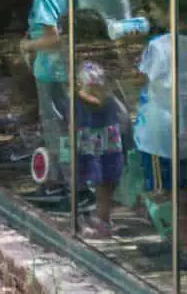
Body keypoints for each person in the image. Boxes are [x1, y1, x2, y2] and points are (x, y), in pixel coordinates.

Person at [133, 0, 187, 266]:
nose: (151, 15)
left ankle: (177, 245)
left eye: (154, 9)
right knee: (183, 188)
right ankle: (183, 243)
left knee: (161, 190)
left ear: (168, 12)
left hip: (158, 132)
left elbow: (141, 79)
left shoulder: (157, 46)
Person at [20, 0, 70, 199]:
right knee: (63, 126)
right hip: (61, 70)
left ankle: (59, 184)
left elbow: (55, 39)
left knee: (56, 128)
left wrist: (28, 44)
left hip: (50, 71)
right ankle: (64, 180)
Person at [72, 58, 125, 238]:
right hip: (93, 142)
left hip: (105, 142)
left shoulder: (104, 100)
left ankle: (103, 219)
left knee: (105, 182)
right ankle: (96, 219)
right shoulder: (82, 99)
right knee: (91, 181)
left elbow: (100, 103)